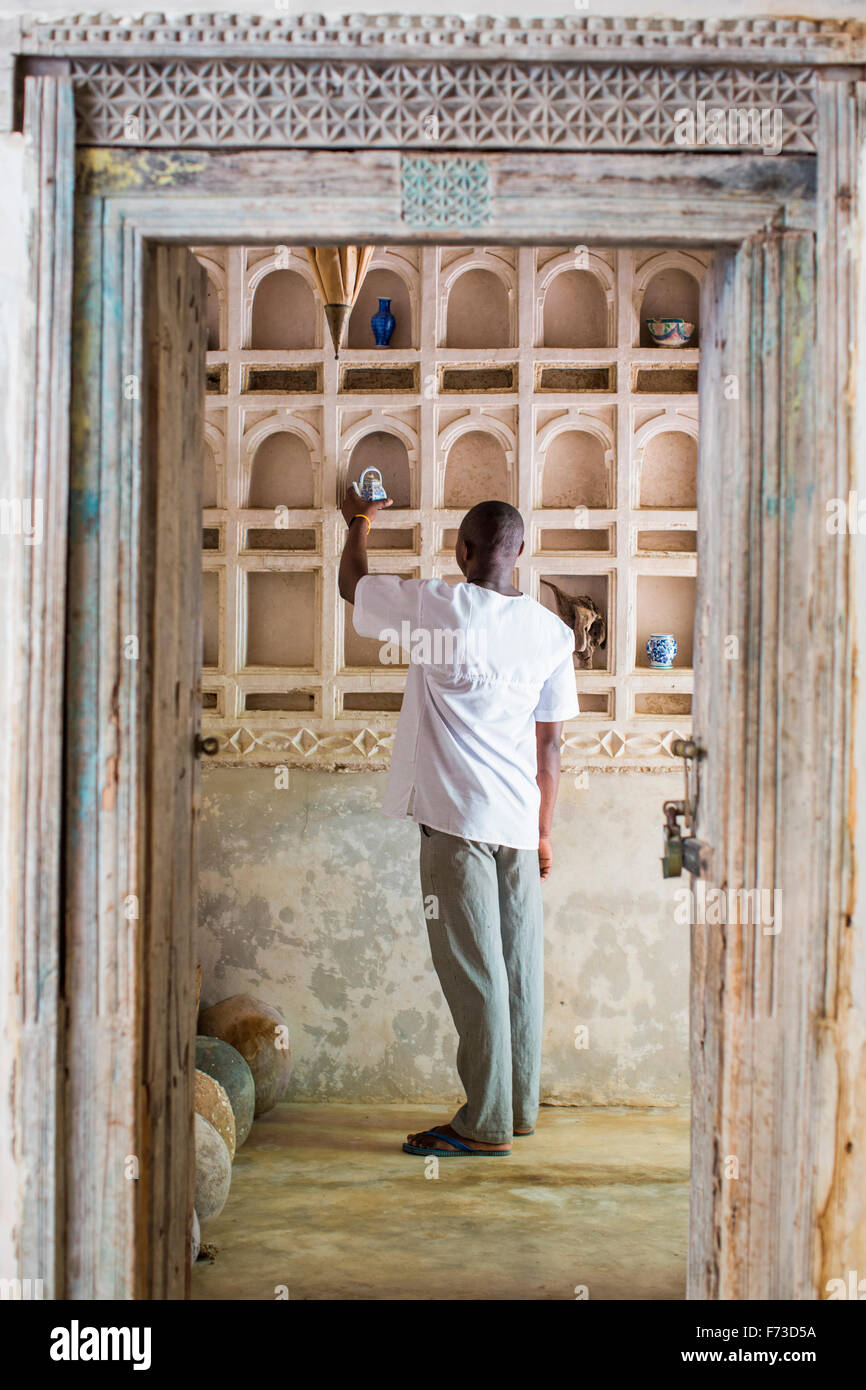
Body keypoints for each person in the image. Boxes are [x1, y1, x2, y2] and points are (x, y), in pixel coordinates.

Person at [338, 488, 579, 1157]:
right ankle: (516, 1107)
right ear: (521, 553)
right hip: (518, 821)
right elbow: (552, 747)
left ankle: (483, 1125)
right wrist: (545, 831)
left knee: (474, 971)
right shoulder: (551, 634)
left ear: (463, 551)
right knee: (517, 966)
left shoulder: (440, 608)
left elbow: (352, 586)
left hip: (458, 820)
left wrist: (359, 520)